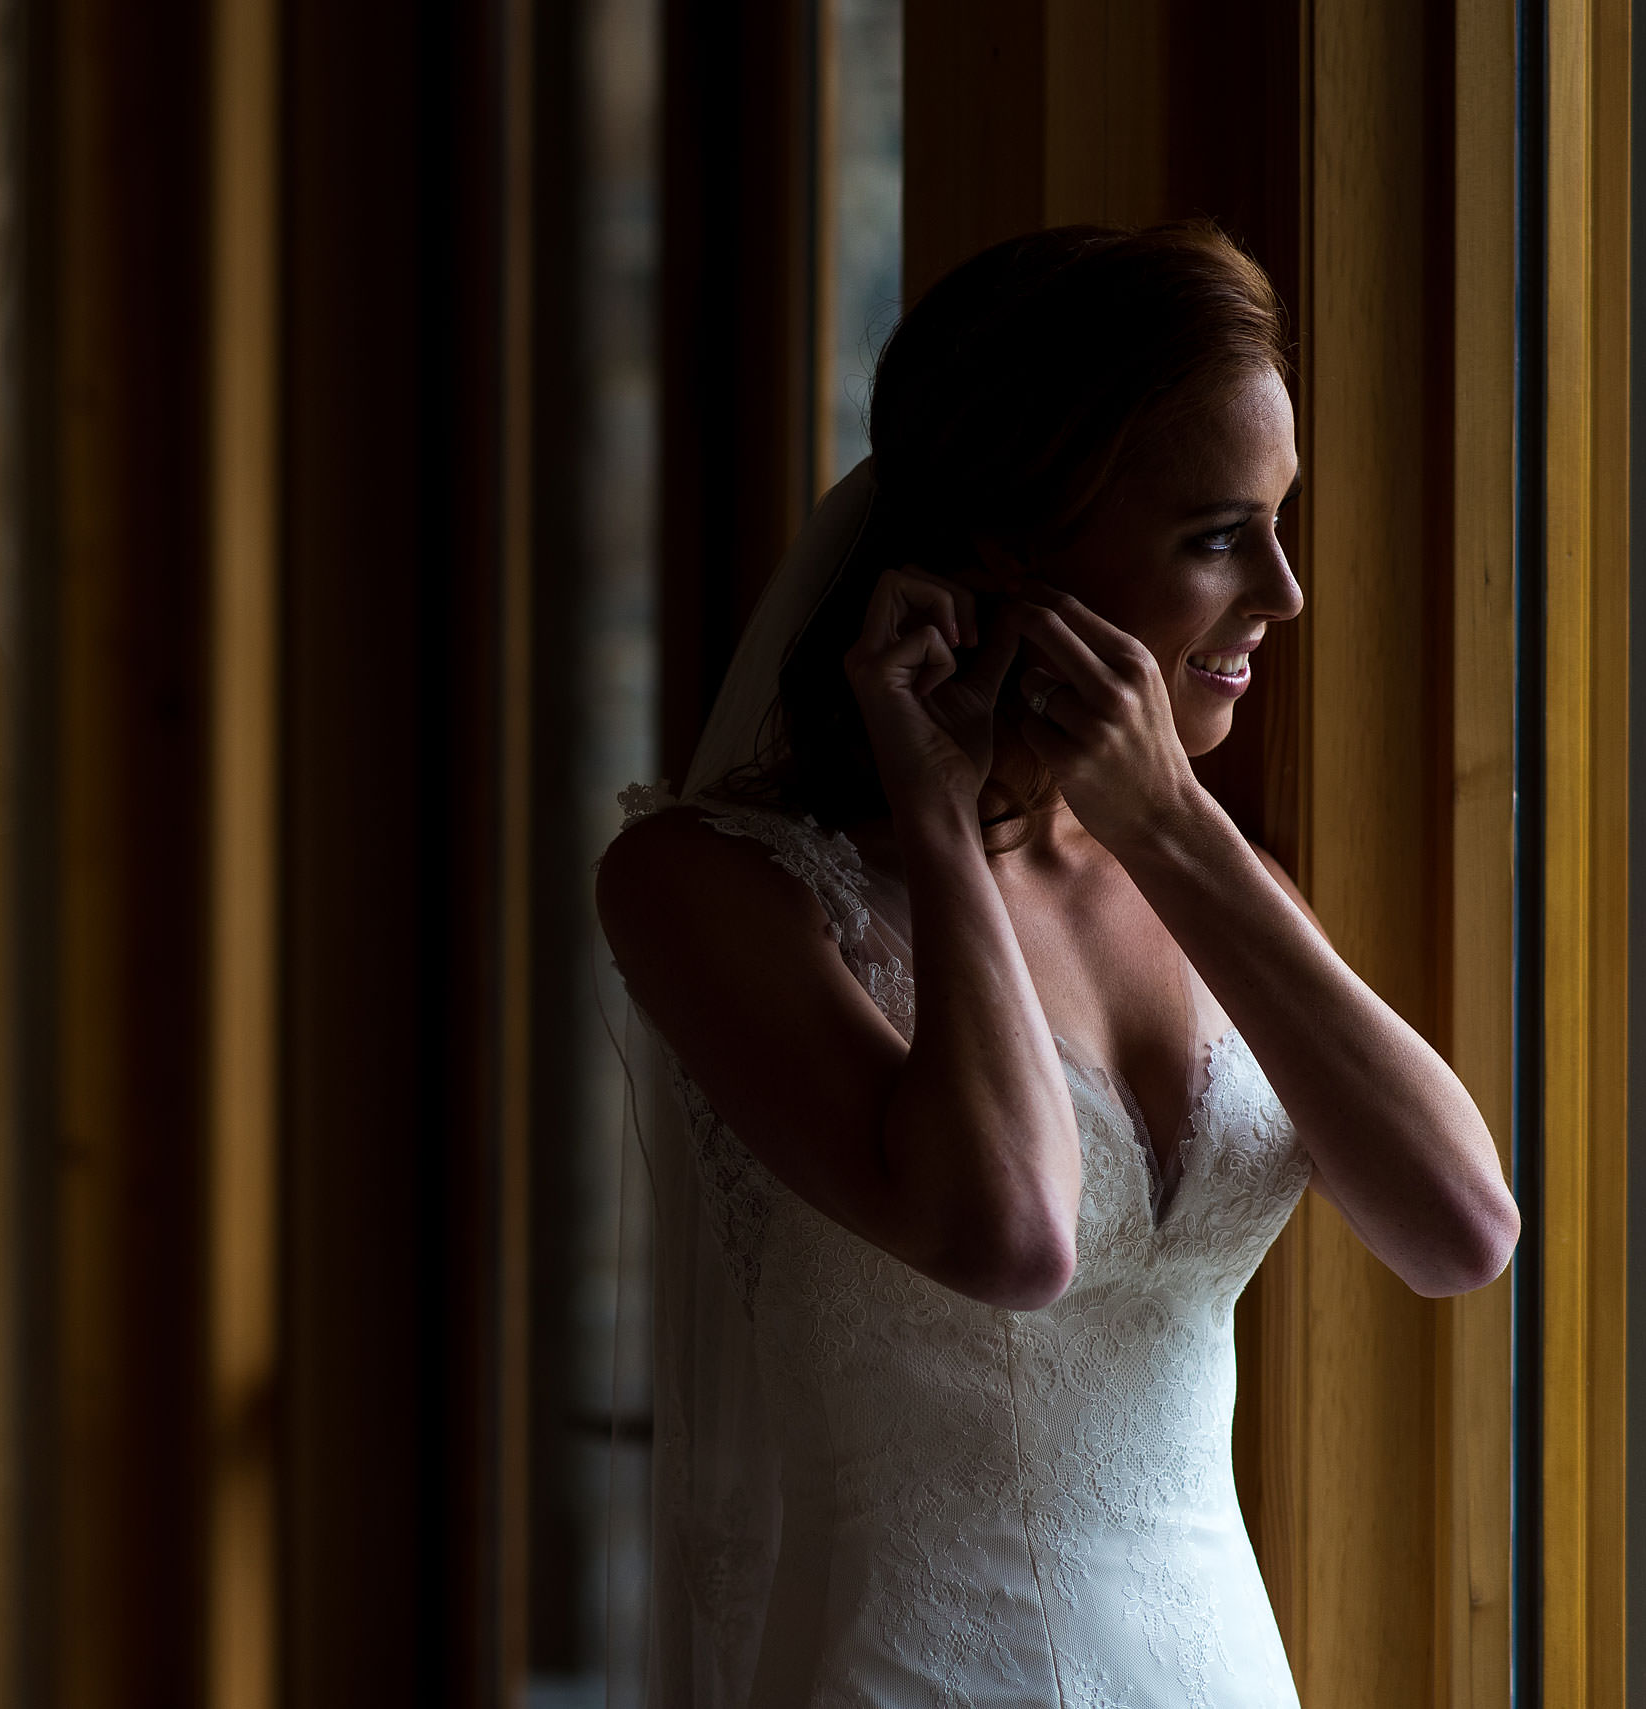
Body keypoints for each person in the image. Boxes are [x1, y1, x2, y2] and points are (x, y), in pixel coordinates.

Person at [596, 222, 1517, 1707]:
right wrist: (941, 819)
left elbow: (1461, 1227)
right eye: (1218, 534)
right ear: (1013, 547)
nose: (1282, 593)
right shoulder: (709, 887)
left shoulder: (1214, 884)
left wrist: (1168, 828)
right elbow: (1014, 1235)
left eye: (1284, 524)